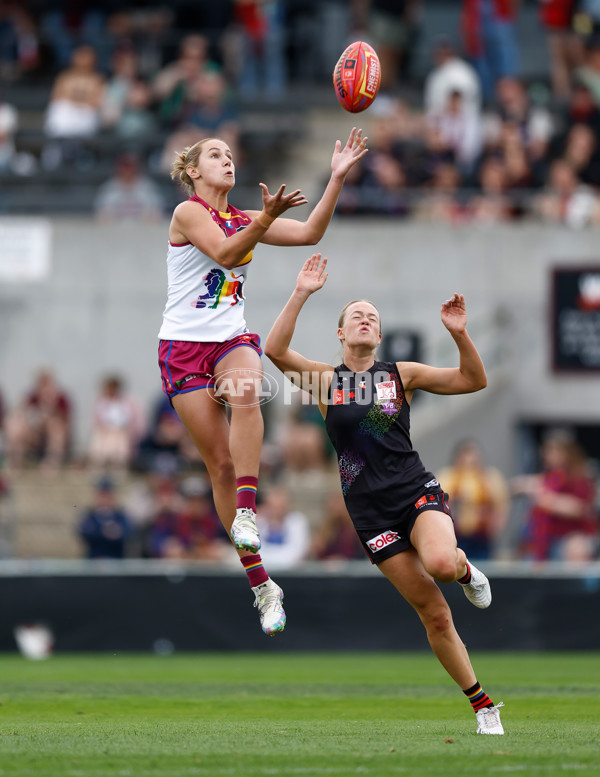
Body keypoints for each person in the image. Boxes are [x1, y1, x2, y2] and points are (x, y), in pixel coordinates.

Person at [264, 254, 504, 735]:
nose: (366, 319)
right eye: (356, 314)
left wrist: (459, 334)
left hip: (414, 490)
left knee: (441, 565)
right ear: (341, 333)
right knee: (435, 615)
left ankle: (463, 569)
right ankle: (483, 706)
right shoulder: (326, 381)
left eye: (372, 316)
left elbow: (473, 380)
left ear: (379, 333)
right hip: (370, 513)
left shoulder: (401, 374)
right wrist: (302, 291)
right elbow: (275, 349)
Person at [158, 128, 368, 635]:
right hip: (182, 349)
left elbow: (311, 233)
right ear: (193, 171)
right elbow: (226, 254)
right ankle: (261, 585)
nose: (227, 160)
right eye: (215, 154)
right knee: (220, 465)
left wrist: (336, 178)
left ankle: (247, 514)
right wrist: (266, 218)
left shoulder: (246, 218)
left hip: (230, 340)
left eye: (230, 154)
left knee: (248, 391)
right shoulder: (188, 213)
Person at [512, 432, 599, 561]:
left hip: (567, 541)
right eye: (547, 451)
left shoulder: (578, 477)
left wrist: (544, 499)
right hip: (544, 539)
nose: (548, 456)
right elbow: (521, 485)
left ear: (567, 453)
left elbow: (579, 507)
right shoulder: (549, 476)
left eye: (553, 451)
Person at [436, 439, 509, 560]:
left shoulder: (490, 477)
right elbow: (438, 503)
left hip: (482, 537)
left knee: (481, 567)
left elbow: (501, 505)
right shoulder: (447, 476)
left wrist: (496, 528)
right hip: (454, 536)